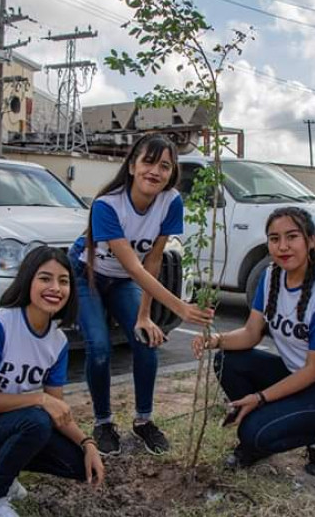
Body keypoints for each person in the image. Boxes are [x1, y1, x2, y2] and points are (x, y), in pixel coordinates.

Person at [69, 133, 214, 457]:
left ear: (171, 172)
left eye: (164, 165)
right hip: (88, 274)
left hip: (124, 280)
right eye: (148, 161)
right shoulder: (107, 205)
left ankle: (144, 420)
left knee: (147, 340)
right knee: (100, 348)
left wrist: (145, 316)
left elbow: (153, 260)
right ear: (132, 165)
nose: (155, 171)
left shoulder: (170, 201)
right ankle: (104, 422)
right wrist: (179, 307)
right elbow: (134, 266)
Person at [0, 246, 104, 517]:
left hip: (1, 424)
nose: (55, 288)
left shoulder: (57, 342)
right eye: (45, 278)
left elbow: (57, 409)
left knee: (76, 462)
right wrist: (39, 399)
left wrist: (88, 444)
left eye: (63, 281)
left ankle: (0, 465)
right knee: (36, 420)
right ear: (28, 281)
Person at [193, 207, 315, 475]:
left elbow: (313, 371)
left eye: (292, 237)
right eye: (274, 238)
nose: (282, 246)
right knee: (227, 360)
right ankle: (268, 420)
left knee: (252, 433)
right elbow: (250, 334)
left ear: (310, 240)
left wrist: (260, 397)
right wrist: (214, 339)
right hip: (295, 374)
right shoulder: (271, 276)